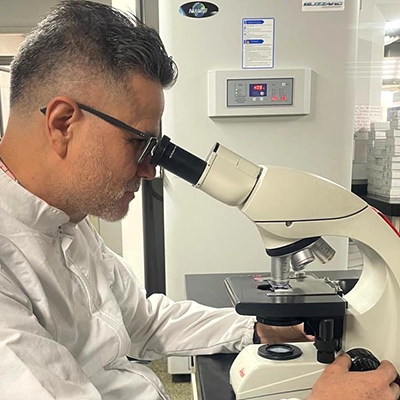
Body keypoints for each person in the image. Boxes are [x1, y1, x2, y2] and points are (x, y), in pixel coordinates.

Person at [0, 1, 397, 399]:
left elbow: (145, 323)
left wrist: (257, 330)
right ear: (63, 124)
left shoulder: (67, 219)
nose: (149, 171)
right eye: (139, 143)